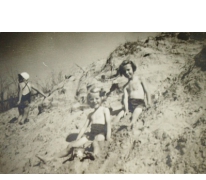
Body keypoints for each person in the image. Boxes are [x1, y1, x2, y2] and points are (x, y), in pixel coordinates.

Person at [36, 86, 112, 163]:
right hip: (91, 135)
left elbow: (108, 124)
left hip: (100, 134)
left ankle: (93, 155)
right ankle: (50, 158)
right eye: (92, 99)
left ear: (101, 98)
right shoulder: (90, 114)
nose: (94, 101)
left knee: (95, 143)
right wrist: (77, 138)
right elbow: (84, 127)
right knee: (71, 145)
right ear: (89, 100)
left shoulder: (105, 110)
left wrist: (108, 138)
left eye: (97, 98)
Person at [117, 59, 151, 130]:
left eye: (128, 70)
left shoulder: (140, 79)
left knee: (137, 111)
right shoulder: (125, 86)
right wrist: (126, 110)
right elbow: (125, 99)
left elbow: (147, 91)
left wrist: (149, 103)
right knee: (121, 113)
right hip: (130, 104)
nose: (127, 72)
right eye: (124, 71)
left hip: (139, 103)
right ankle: (114, 124)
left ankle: (132, 122)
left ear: (133, 68)